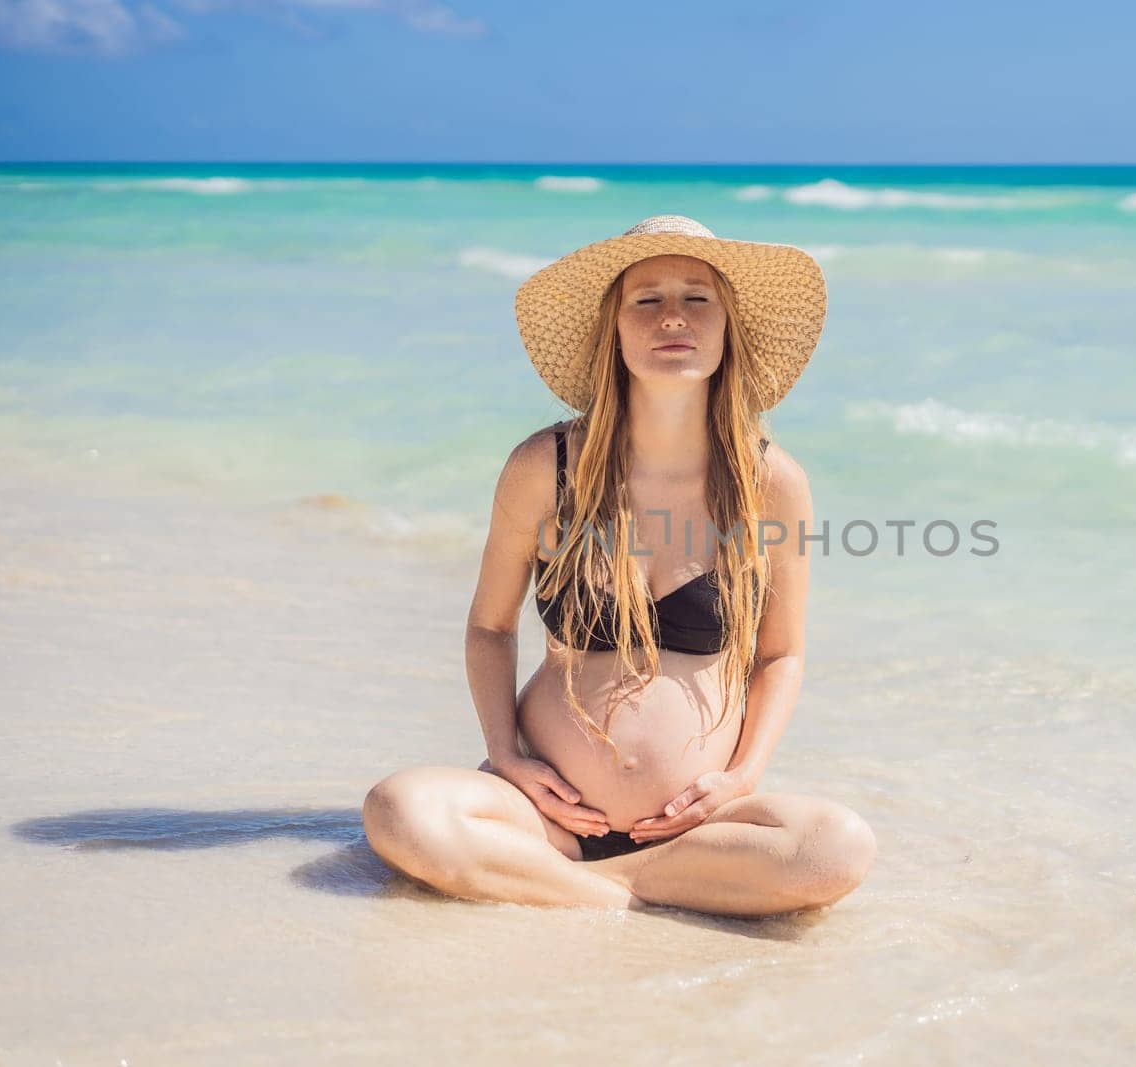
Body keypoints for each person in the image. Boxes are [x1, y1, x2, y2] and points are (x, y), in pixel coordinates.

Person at [361, 215, 877, 917]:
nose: (673, 317)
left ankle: (592, 889)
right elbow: (489, 626)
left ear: (728, 329)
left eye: (698, 298)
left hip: (692, 830)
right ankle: (614, 898)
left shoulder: (769, 482)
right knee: (400, 810)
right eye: (646, 299)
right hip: (546, 819)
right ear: (615, 329)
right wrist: (506, 755)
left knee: (834, 847)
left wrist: (742, 777)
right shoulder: (547, 467)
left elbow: (780, 653)